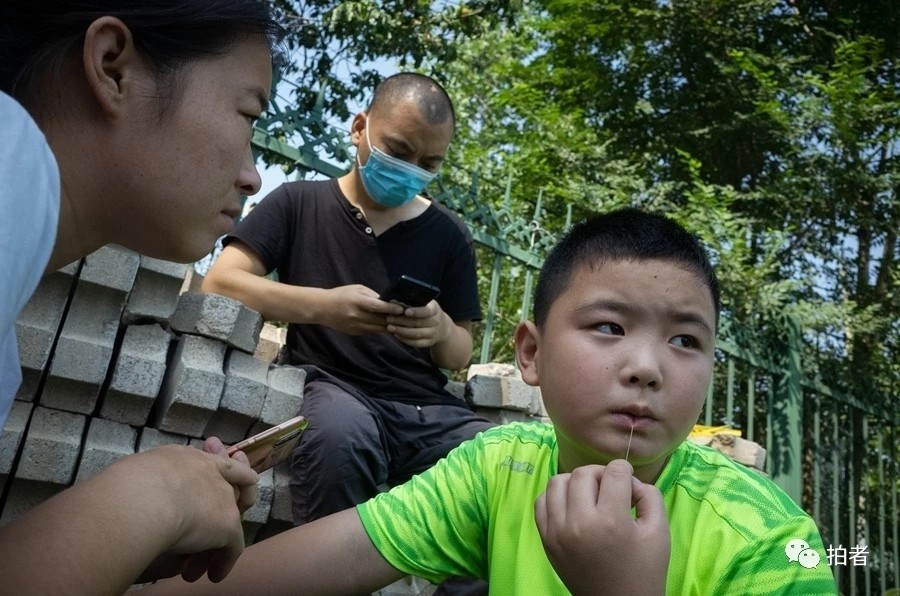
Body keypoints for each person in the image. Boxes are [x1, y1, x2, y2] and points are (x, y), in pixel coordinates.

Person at [145, 208, 837, 595]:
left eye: (687, 341)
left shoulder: (776, 545)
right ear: (530, 353)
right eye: (609, 327)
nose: (648, 368)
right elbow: (331, 560)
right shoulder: (499, 468)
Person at [0, 1, 283, 591]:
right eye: (248, 113)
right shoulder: (8, 163)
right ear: (113, 68)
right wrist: (160, 498)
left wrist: (119, 539)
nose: (254, 176)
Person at [201, 72, 495, 528]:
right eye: (398, 151)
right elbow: (221, 282)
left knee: (497, 463)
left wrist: (438, 328)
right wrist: (324, 307)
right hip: (335, 390)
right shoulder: (298, 203)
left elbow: (460, 351)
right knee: (340, 440)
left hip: (426, 410)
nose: (410, 169)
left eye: (429, 163)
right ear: (360, 128)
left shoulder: (450, 234)